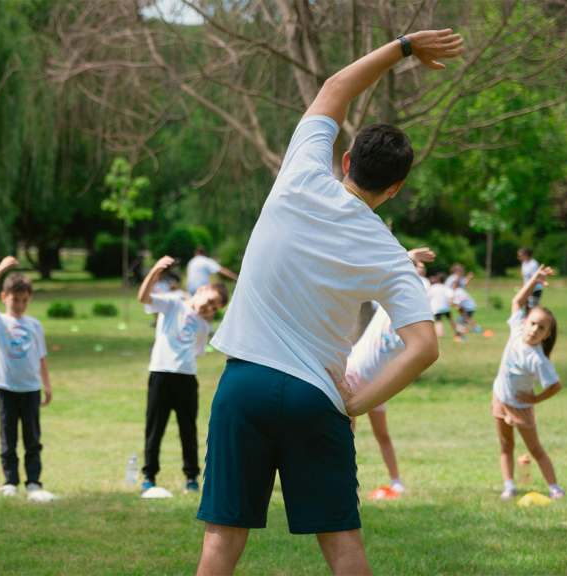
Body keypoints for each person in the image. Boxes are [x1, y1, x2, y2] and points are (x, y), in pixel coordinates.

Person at [196, 29, 461, 575]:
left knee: (221, 543)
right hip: (317, 397)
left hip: (244, 385)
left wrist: (405, 47)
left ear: (345, 161)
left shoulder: (299, 175)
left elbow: (337, 85)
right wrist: (357, 403)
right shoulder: (389, 253)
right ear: (396, 189)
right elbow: (424, 346)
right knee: (343, 546)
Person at [344, 248, 434, 496]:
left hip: (379, 385)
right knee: (346, 435)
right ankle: (346, 482)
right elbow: (389, 270)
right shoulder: (387, 304)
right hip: (352, 375)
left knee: (382, 434)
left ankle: (396, 481)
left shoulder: (417, 326)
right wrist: (410, 256)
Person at [137, 255, 229, 495]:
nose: (208, 308)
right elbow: (143, 298)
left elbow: (196, 352)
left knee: (188, 429)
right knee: (155, 427)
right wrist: (156, 270)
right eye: (209, 301)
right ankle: (149, 475)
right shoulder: (173, 303)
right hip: (161, 373)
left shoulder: (204, 326)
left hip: (187, 378)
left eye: (214, 308)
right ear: (200, 290)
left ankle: (191, 477)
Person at [0, 257, 56, 502]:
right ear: (4, 297)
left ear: (30, 299)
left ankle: (33, 482)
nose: (20, 305)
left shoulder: (34, 325)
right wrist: (0, 269)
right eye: (15, 300)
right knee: (8, 437)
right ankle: (10, 481)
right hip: (6, 388)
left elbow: (41, 356)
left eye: (24, 300)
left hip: (31, 389)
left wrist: (47, 385)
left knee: (32, 439)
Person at [492, 264, 564, 501]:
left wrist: (534, 399)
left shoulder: (538, 359)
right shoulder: (516, 330)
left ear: (547, 335)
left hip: (521, 406)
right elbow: (517, 301)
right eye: (532, 323)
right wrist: (534, 279)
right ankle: (509, 486)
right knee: (505, 444)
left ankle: (555, 489)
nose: (534, 329)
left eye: (541, 328)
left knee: (534, 449)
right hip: (501, 397)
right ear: (525, 323)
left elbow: (555, 386)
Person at [427, 272, 460, 340]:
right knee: (450, 319)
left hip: (436, 307)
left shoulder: (433, 287)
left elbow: (428, 296)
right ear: (444, 280)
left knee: (438, 320)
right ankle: (456, 331)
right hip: (445, 306)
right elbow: (451, 296)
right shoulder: (446, 288)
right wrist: (455, 304)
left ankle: (440, 334)